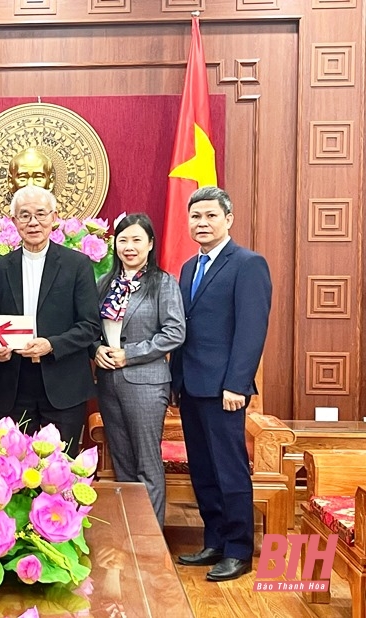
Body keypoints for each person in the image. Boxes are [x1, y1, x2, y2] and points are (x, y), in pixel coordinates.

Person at [171, 186, 272, 582]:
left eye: (211, 216)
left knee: (230, 470)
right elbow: (185, 328)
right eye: (196, 216)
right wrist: (177, 380)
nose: (203, 223)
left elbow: (251, 330)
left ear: (228, 219)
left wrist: (237, 384)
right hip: (192, 386)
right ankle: (213, 540)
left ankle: (239, 549)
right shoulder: (187, 267)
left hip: (225, 390)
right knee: (203, 469)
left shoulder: (248, 264)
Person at [0, 185, 101, 457]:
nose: (33, 222)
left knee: (62, 469)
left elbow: (90, 325)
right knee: (14, 470)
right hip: (14, 385)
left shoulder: (77, 265)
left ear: (54, 217)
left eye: (40, 214)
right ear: (13, 221)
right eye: (24, 215)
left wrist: (51, 344)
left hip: (63, 383)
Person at [91, 213, 185, 528]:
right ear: (114, 244)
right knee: (123, 463)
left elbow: (174, 333)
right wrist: (97, 350)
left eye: (136, 240)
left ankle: (150, 538)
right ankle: (130, 531)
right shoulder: (104, 283)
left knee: (147, 463)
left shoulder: (163, 282)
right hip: (108, 383)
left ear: (150, 244)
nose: (129, 247)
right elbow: (92, 328)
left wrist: (128, 355)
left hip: (146, 383)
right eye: (123, 240)